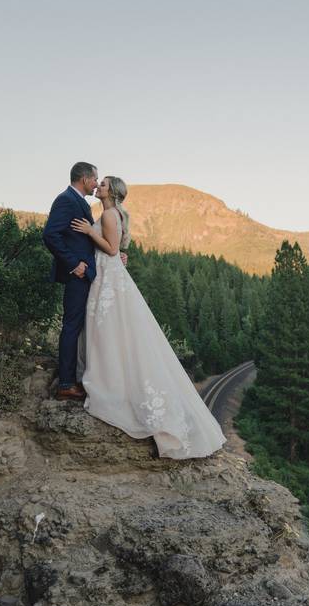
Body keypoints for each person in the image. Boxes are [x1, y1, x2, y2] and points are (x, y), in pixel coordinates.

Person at [70, 176, 226, 459]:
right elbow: (118, 249)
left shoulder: (107, 213)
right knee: (112, 331)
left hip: (108, 277)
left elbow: (113, 249)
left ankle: (111, 384)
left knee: (106, 330)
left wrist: (89, 233)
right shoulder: (110, 213)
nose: (99, 186)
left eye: (103, 184)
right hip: (109, 274)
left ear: (112, 192)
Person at [42, 162, 99, 401]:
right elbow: (50, 235)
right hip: (76, 274)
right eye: (95, 179)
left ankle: (76, 376)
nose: (96, 183)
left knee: (78, 326)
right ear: (84, 179)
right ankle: (66, 383)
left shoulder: (80, 202)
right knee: (72, 325)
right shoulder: (66, 200)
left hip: (85, 273)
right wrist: (74, 264)